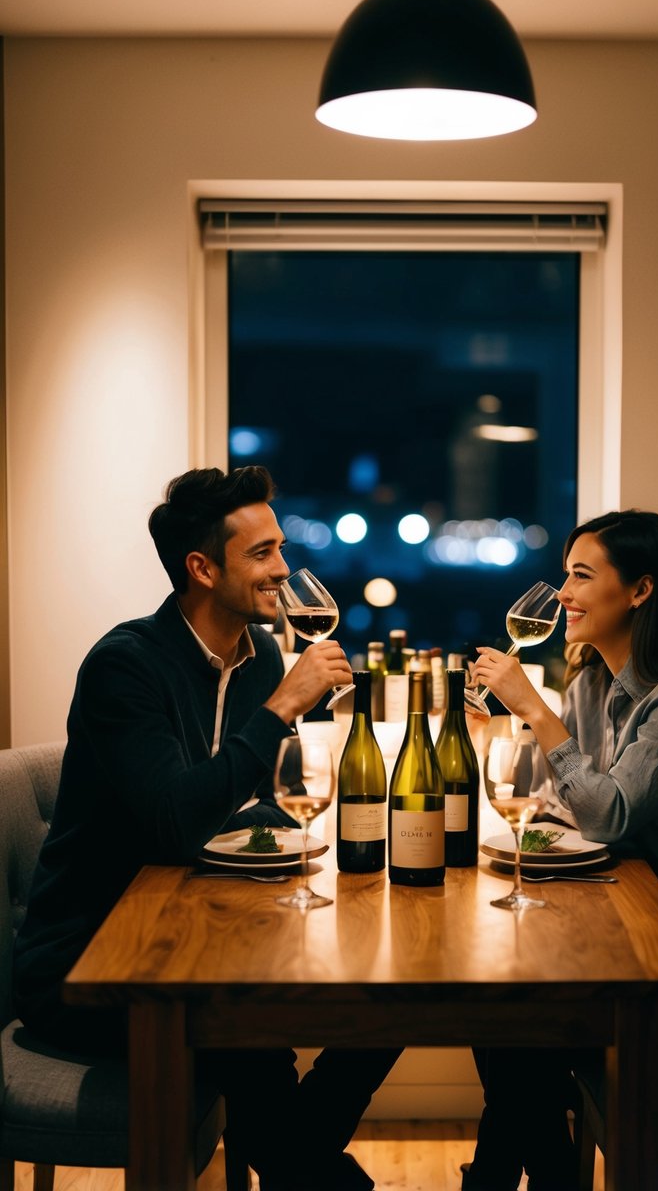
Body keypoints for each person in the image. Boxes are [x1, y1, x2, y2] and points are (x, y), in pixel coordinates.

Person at [13, 465, 401, 1191]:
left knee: (391, 1002)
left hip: (201, 943)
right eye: (262, 554)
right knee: (249, 1044)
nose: (283, 570)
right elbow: (173, 821)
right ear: (201, 567)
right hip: (87, 965)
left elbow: (252, 802)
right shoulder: (124, 668)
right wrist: (283, 707)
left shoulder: (261, 660)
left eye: (281, 548)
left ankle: (308, 1170)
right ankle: (321, 1177)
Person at [463, 509, 658, 1191]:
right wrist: (499, 735)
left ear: (641, 590)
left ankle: (516, 1178)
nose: (562, 592)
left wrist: (533, 711)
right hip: (614, 913)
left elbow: (609, 815)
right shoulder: (591, 683)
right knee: (496, 1004)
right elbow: (562, 803)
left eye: (580, 576)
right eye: (564, 574)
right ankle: (518, 1178)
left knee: (506, 1027)